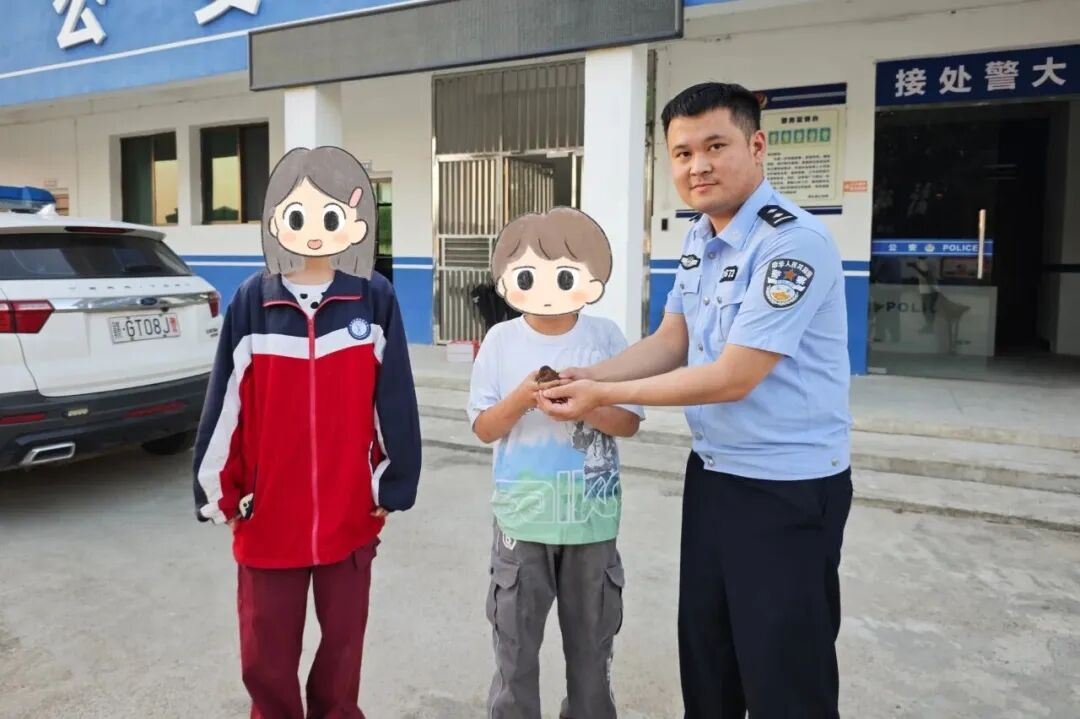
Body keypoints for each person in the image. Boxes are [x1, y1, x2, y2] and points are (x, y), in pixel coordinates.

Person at [538, 82, 854, 718]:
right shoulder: (699, 238)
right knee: (709, 659)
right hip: (714, 477)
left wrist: (605, 392)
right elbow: (671, 340)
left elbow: (734, 375)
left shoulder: (792, 243)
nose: (697, 166)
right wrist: (585, 374)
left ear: (756, 146)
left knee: (785, 676)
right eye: (682, 153)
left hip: (786, 488)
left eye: (715, 146)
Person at [192, 146, 422, 719]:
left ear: (356, 222)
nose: (314, 230)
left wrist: (391, 483)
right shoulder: (253, 301)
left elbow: (394, 399)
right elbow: (225, 403)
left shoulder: (374, 298)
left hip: (349, 513)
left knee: (343, 647)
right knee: (266, 655)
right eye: (297, 215)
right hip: (267, 515)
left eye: (331, 215)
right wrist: (218, 489)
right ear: (275, 220)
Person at [467, 207, 644, 719]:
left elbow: (629, 421)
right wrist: (523, 398)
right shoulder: (501, 341)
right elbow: (484, 427)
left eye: (564, 275)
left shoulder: (605, 337)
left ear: (592, 278)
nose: (546, 288)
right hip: (522, 520)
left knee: (591, 653)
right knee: (515, 650)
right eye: (528, 275)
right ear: (508, 279)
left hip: (592, 521)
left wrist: (586, 404)